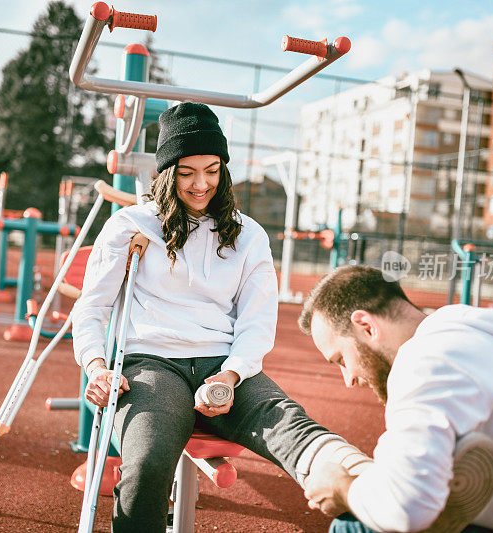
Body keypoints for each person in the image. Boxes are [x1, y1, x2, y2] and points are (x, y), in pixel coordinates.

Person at [71, 102, 371, 532]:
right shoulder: (130, 224)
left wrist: (231, 375)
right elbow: (93, 307)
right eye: (187, 172)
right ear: (166, 173)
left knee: (287, 421)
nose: (201, 184)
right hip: (152, 366)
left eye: (211, 170)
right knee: (148, 464)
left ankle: (371, 486)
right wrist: (96, 366)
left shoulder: (249, 234)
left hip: (224, 365)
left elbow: (257, 319)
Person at [298, 265, 493, 533]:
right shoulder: (471, 339)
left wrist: (341, 487)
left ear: (366, 325)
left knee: (351, 527)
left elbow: (406, 507)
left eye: (340, 359)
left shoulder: (427, 361)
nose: (348, 379)